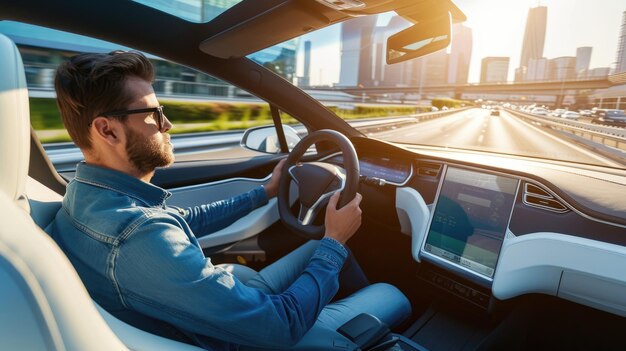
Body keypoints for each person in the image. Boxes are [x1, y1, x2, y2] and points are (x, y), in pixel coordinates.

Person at [47, 50, 411, 350]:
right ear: (107, 129)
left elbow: (183, 220)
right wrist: (333, 241)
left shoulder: (87, 195)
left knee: (334, 254)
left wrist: (266, 191)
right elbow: (278, 328)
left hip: (222, 309)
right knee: (390, 291)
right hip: (252, 337)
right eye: (154, 113)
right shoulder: (138, 235)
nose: (167, 124)